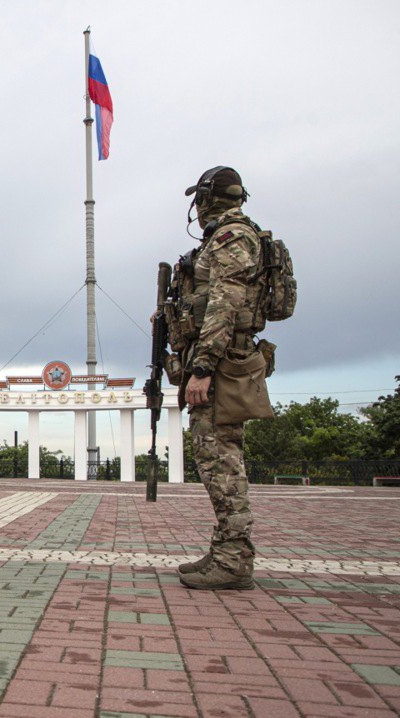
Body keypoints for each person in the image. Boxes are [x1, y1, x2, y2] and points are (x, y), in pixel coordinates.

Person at [170, 166, 275, 591]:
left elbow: (224, 305)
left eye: (199, 201)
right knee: (216, 456)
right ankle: (227, 549)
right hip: (225, 358)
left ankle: (234, 559)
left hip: (223, 363)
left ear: (208, 200)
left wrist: (202, 369)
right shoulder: (232, 236)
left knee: (220, 459)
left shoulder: (231, 237)